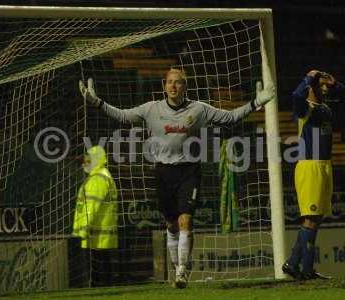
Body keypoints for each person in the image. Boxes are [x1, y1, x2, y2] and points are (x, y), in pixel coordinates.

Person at [79, 68, 274, 288]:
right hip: (163, 172)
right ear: (164, 85)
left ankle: (182, 271)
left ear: (185, 86)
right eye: (169, 82)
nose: (173, 86)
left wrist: (256, 102)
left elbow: (229, 118)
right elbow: (123, 116)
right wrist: (97, 103)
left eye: (178, 82)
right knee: (171, 224)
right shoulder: (151, 108)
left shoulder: (199, 109)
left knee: (185, 220)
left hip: (189, 171)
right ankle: (177, 267)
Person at [282, 70, 345, 280]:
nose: (324, 89)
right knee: (309, 219)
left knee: (316, 219)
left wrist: (335, 83)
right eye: (320, 86)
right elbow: (296, 96)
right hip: (309, 167)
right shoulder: (305, 109)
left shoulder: (326, 108)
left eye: (325, 86)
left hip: (325, 166)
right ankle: (293, 263)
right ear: (311, 87)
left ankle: (306, 269)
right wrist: (309, 77)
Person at [72, 145, 118, 287]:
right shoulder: (102, 175)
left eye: (87, 160)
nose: (83, 163)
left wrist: (84, 228)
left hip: (95, 232)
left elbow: (91, 207)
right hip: (100, 232)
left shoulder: (97, 178)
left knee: (98, 269)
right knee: (103, 265)